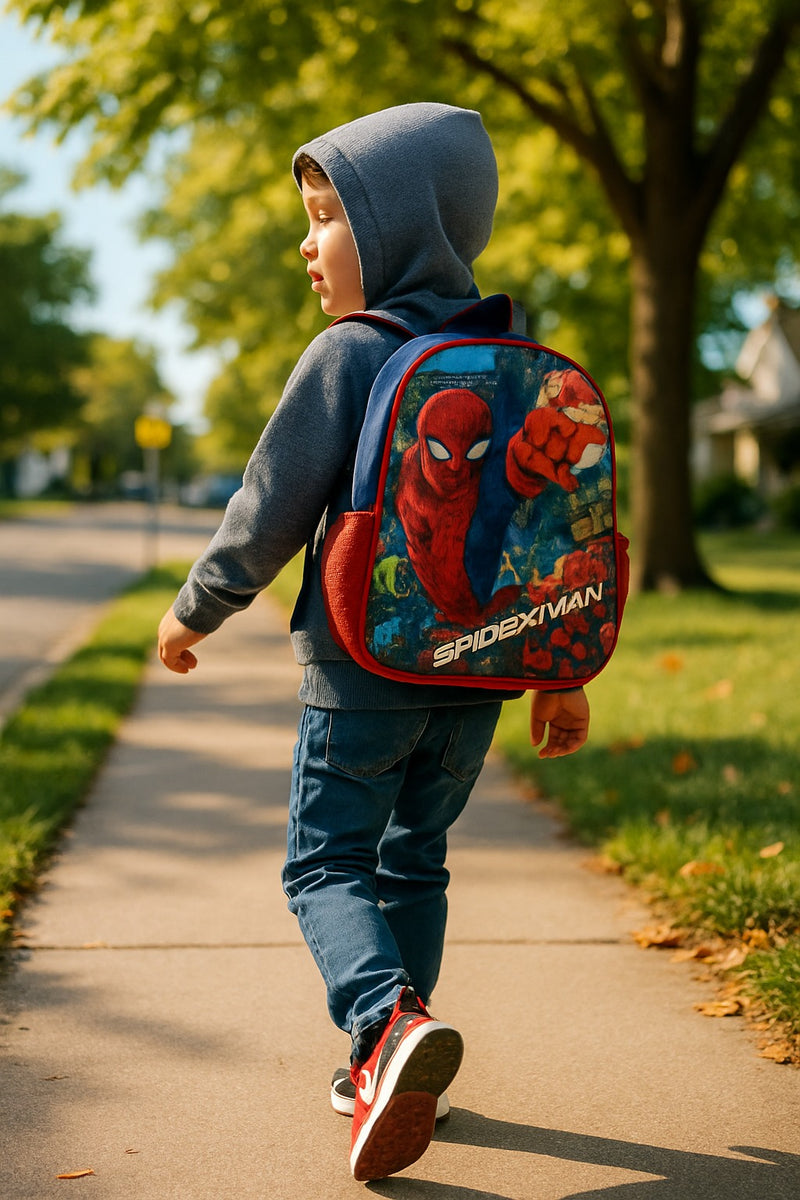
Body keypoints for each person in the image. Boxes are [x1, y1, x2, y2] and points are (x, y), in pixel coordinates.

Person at [157, 102, 590, 1183]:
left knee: (323, 862)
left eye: (323, 218)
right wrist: (561, 673)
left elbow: (270, 507)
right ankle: (402, 1062)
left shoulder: (351, 353)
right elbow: (555, 539)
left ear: (392, 229)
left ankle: (382, 1030)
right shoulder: (518, 359)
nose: (305, 245)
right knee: (416, 860)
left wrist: (199, 606)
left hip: (361, 666)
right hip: (479, 679)